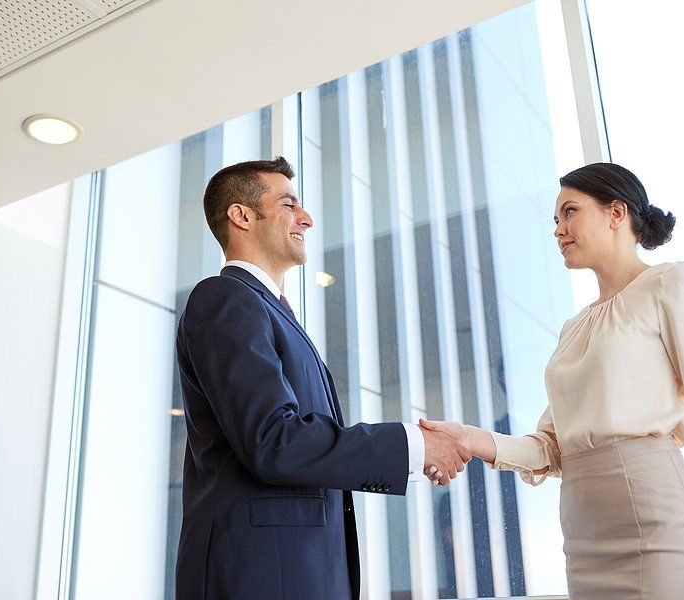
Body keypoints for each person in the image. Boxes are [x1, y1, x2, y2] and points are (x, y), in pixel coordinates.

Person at [421, 163, 684, 599]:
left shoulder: (672, 283)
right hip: (582, 536)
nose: (558, 229)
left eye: (569, 212)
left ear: (616, 213)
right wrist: (469, 438)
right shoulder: (573, 329)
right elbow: (551, 447)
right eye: (556, 219)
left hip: (657, 523)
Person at [174, 157, 470, 600]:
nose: (306, 218)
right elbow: (274, 441)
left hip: (294, 571)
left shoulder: (267, 309)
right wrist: (413, 444)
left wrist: (410, 456)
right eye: (289, 204)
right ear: (241, 216)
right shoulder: (225, 299)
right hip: (257, 576)